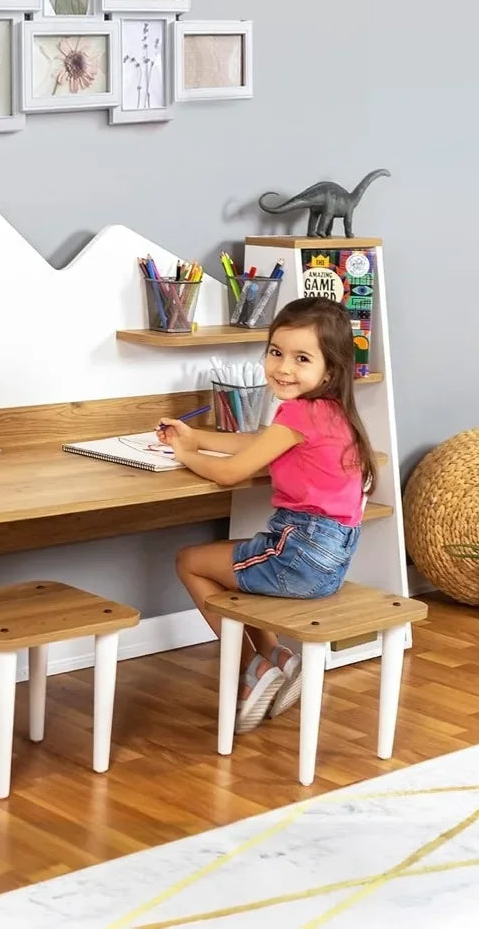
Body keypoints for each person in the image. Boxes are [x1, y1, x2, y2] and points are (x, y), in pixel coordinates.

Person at [157, 297, 377, 734]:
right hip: (329, 558)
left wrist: (183, 454)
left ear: (328, 370)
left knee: (190, 562)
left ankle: (250, 670)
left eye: (301, 358)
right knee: (228, 564)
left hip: (300, 554)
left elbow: (230, 474)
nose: (283, 368)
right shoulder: (330, 412)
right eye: (275, 352)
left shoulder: (298, 412)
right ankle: (276, 658)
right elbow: (256, 446)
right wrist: (195, 436)